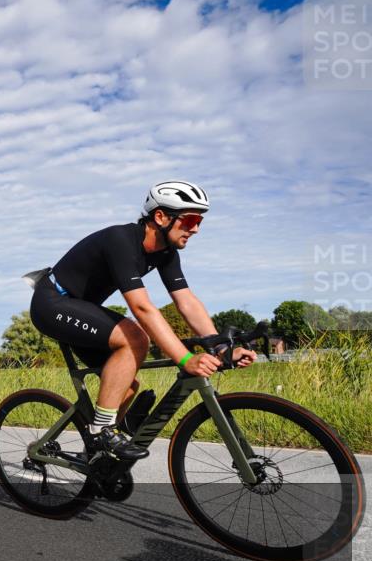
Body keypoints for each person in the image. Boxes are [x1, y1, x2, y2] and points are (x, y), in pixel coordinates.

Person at [29, 181, 257, 461]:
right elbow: (141, 307)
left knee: (126, 386)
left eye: (200, 222)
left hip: (81, 308)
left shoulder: (166, 252)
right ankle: (101, 431)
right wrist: (186, 359)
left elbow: (186, 302)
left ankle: (98, 458)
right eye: (190, 220)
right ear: (160, 217)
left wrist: (221, 347)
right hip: (52, 304)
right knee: (135, 338)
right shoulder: (120, 240)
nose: (196, 229)